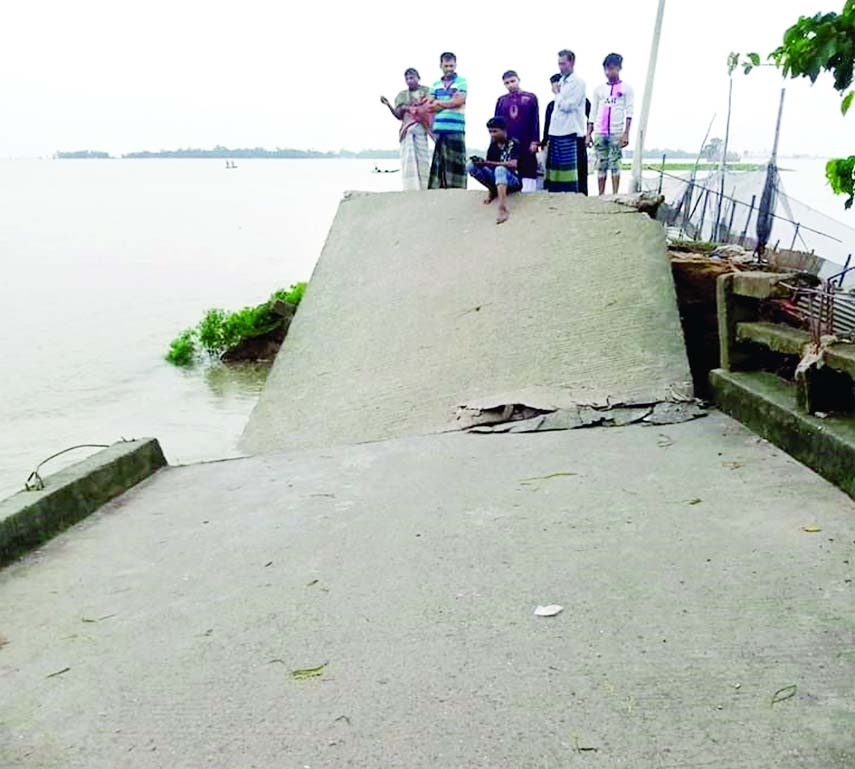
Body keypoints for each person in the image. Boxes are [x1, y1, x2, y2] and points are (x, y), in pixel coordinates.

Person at [587, 53, 635, 195]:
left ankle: (615, 194)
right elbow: (593, 112)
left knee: (615, 163)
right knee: (601, 164)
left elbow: (629, 112)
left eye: (612, 69)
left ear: (619, 68)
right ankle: (601, 194)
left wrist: (626, 133)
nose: (609, 72)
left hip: (616, 132)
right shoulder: (599, 90)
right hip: (600, 132)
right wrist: (589, 133)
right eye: (606, 69)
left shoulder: (626, 89)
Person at [380, 68, 433, 190]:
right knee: (409, 159)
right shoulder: (402, 95)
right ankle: (411, 188)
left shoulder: (427, 91)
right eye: (407, 79)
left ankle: (425, 187)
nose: (410, 81)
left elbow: (431, 109)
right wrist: (389, 105)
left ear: (418, 78)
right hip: (407, 130)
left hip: (422, 128)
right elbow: (398, 115)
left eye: (412, 78)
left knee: (423, 158)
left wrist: (418, 109)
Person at [545, 50, 586, 193]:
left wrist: (557, 93)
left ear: (572, 62)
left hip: (569, 131)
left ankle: (570, 197)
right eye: (559, 64)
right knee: (554, 172)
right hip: (555, 131)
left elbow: (569, 106)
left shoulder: (578, 83)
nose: (560, 67)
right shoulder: (561, 81)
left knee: (568, 172)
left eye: (563, 63)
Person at [467, 117, 521, 224]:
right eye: (490, 132)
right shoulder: (493, 146)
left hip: (513, 180)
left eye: (495, 131)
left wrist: (488, 163)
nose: (492, 134)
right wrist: (481, 163)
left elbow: (513, 164)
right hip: (498, 179)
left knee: (500, 169)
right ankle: (492, 190)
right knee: (470, 166)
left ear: (504, 130)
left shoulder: (513, 143)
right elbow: (489, 166)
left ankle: (502, 208)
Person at [494, 71, 540, 193]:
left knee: (528, 166)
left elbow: (535, 120)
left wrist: (535, 141)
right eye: (507, 83)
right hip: (508, 141)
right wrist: (496, 141)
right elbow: (496, 124)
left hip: (526, 139)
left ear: (519, 80)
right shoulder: (501, 101)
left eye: (512, 81)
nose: (510, 85)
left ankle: (529, 194)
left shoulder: (530, 98)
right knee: (507, 166)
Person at [428, 52, 468, 189]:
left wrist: (440, 103)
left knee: (457, 162)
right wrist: (450, 100)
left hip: (456, 127)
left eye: (451, 65)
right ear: (441, 66)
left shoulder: (461, 81)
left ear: (455, 65)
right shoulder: (435, 84)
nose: (449, 68)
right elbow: (429, 105)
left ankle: (458, 190)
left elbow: (460, 100)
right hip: (440, 127)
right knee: (440, 164)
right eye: (446, 66)